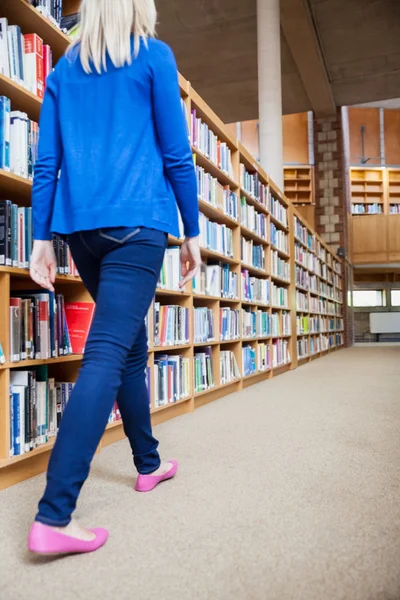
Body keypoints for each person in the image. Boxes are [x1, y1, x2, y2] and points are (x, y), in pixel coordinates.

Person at [27, 0, 201, 556]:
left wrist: (41, 239)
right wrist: (192, 230)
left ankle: (148, 464)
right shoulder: (153, 57)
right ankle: (55, 515)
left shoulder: (61, 72)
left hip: (82, 232)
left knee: (128, 347)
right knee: (106, 352)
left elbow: (46, 163)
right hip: (136, 226)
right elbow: (176, 154)